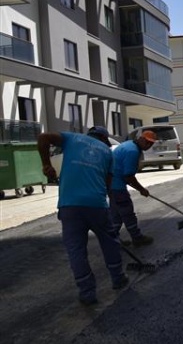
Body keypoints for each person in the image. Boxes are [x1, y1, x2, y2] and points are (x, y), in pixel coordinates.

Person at [37, 126, 128, 306]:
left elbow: (43, 137)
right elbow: (108, 184)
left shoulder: (72, 138)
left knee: (76, 250)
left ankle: (87, 292)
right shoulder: (108, 153)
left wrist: (46, 164)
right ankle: (118, 278)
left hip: (69, 205)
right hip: (96, 204)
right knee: (109, 242)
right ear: (104, 138)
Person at [109, 130, 157, 247]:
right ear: (141, 138)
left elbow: (125, 174)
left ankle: (113, 241)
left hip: (111, 184)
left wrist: (127, 179)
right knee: (127, 213)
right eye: (147, 142)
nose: (148, 145)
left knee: (116, 214)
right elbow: (129, 176)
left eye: (151, 143)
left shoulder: (129, 145)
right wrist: (142, 189)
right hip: (117, 186)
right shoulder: (132, 151)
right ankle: (137, 238)